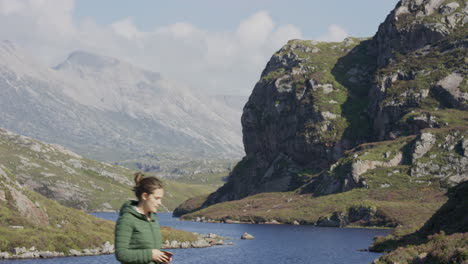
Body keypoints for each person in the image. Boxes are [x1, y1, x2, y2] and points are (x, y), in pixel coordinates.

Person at [115, 172, 172, 264]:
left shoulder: (153, 218)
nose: (160, 203)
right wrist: (150, 255)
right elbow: (121, 254)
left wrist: (161, 258)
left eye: (161, 199)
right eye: (156, 198)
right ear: (145, 196)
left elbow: (150, 252)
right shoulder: (127, 219)